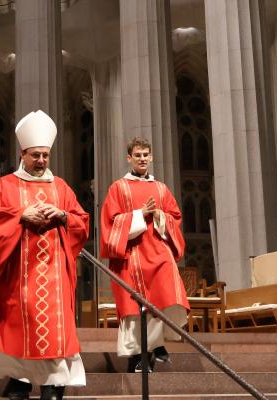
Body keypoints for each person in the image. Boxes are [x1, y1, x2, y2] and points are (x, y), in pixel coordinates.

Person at [0, 110, 89, 400]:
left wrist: (62, 215)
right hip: (17, 273)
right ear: (23, 153)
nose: (42, 161)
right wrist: (21, 215)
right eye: (36, 156)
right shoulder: (6, 185)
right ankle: (18, 380)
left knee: (54, 325)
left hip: (54, 272)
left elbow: (81, 221)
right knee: (17, 323)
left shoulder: (61, 187)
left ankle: (54, 383)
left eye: (46, 155)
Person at [99, 137, 189, 372]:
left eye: (145, 155)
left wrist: (159, 215)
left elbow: (174, 217)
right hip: (132, 253)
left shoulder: (161, 188)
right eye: (137, 155)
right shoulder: (118, 187)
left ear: (151, 157)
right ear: (129, 158)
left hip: (157, 249)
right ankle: (138, 355)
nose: (142, 159)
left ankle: (157, 344)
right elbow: (111, 222)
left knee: (167, 291)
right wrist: (139, 214)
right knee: (134, 306)